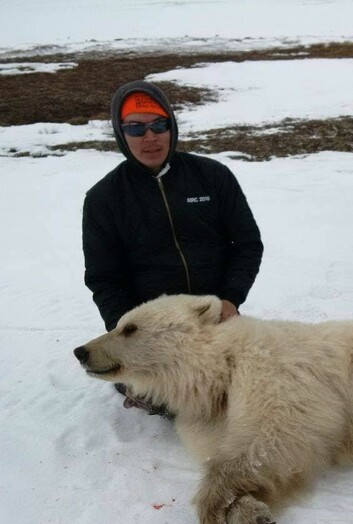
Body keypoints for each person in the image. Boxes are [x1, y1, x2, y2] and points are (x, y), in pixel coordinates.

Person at [82, 80, 263, 414]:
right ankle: (140, 384)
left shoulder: (212, 176)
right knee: (185, 407)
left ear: (172, 126)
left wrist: (230, 298)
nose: (149, 137)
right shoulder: (103, 199)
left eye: (158, 125)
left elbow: (247, 243)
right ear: (121, 134)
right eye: (135, 128)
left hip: (214, 320)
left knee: (253, 395)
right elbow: (104, 277)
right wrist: (128, 330)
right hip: (153, 335)